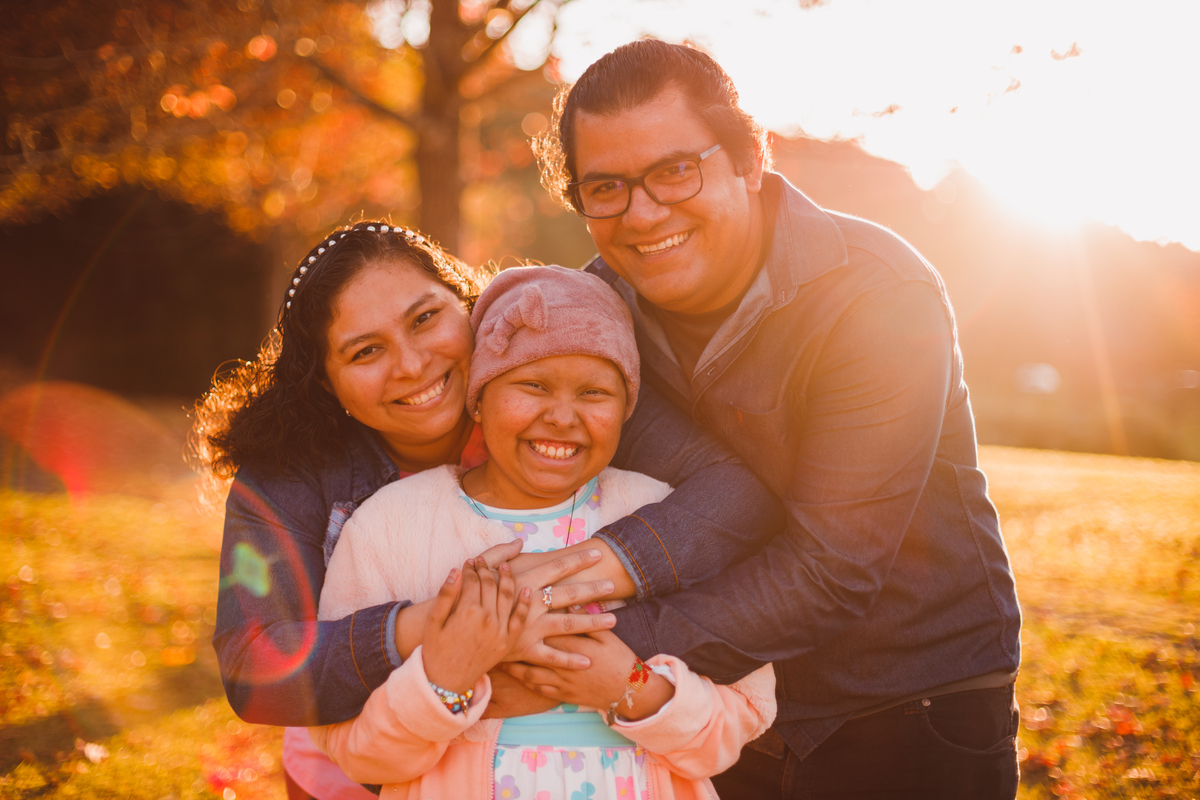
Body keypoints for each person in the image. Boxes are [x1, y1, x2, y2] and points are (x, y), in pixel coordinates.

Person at [513, 38, 1023, 799]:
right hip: (722, 704)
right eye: (606, 187)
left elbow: (834, 567)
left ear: (750, 160)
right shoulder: (597, 314)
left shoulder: (878, 295)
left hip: (906, 702)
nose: (642, 213)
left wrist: (576, 651)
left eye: (674, 171)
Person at [192, 222, 785, 798]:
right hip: (355, 766)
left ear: (467, 305)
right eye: (366, 351)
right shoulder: (294, 471)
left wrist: (573, 601)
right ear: (326, 382)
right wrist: (457, 626)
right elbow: (255, 666)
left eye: (425, 319)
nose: (412, 363)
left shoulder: (564, 393)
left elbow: (735, 496)